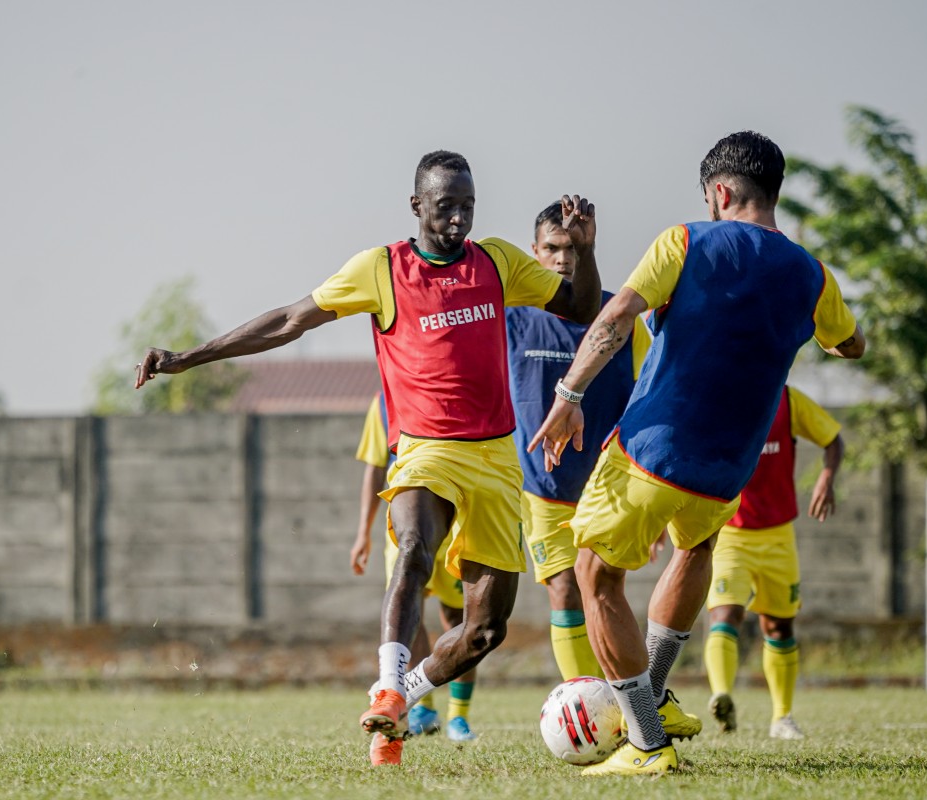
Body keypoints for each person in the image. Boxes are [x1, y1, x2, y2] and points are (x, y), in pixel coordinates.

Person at [135, 150, 601, 766]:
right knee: (412, 549)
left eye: (467, 205)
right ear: (416, 207)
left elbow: (581, 308)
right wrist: (188, 357)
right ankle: (387, 683)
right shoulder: (381, 269)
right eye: (445, 207)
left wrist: (586, 249)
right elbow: (287, 321)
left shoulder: (496, 261)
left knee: (486, 630)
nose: (458, 219)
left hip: (494, 455)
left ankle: (401, 699)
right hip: (424, 449)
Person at [529, 130, 866, 775]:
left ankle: (647, 740)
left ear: (719, 192)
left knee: (596, 575)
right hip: (727, 469)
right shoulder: (812, 275)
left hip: (653, 448)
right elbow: (849, 346)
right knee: (696, 550)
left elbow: (615, 317)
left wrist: (569, 394)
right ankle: (655, 695)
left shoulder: (685, 241)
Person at [507, 202, 652, 682]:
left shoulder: (620, 318)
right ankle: (583, 700)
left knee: (603, 591)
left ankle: (623, 696)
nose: (563, 258)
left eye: (572, 248)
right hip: (542, 486)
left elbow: (648, 398)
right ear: (534, 253)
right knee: (564, 589)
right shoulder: (512, 321)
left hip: (608, 483)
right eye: (552, 248)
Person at [704, 384, 843, 739]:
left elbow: (833, 438)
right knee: (725, 613)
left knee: (779, 627)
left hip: (779, 534)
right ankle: (722, 694)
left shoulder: (788, 399)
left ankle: (782, 717)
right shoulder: (717, 398)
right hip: (730, 532)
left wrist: (826, 477)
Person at [350, 391, 478, 742]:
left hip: (452, 521)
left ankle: (459, 716)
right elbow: (375, 468)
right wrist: (363, 532)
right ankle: (423, 707)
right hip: (406, 524)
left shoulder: (449, 385)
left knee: (460, 618)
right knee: (411, 611)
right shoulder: (381, 403)